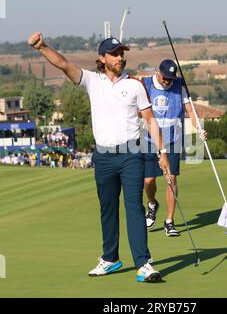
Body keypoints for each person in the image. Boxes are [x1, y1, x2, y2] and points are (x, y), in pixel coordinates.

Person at [28, 33, 170, 283]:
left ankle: (143, 264)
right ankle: (110, 259)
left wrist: (163, 152)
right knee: (107, 209)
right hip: (103, 157)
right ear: (102, 58)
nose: (120, 57)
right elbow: (63, 64)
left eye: (122, 53)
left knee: (134, 207)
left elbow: (150, 120)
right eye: (115, 54)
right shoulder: (92, 81)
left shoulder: (135, 85)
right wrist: (42, 47)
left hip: (131, 154)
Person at [143, 59, 207, 237]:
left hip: (172, 140)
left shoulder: (179, 86)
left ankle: (169, 221)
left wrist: (199, 128)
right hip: (149, 140)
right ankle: (152, 203)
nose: (167, 81)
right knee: (148, 181)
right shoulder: (146, 85)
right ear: (158, 72)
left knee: (171, 180)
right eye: (165, 78)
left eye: (171, 78)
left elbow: (190, 112)